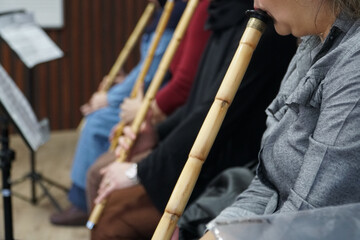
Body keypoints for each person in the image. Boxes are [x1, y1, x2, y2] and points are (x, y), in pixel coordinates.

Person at [87, 0, 298, 239]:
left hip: (224, 172)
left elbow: (216, 115)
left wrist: (139, 171)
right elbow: (199, 102)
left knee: (113, 221)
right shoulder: (221, 13)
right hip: (197, 157)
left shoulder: (266, 29)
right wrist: (156, 133)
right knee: (104, 184)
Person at [197, 0, 360, 239]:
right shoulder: (312, 42)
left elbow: (310, 217)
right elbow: (267, 184)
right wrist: (217, 234)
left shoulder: (354, 63)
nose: (256, 4)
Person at [49, 2, 187, 226]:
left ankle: (83, 202)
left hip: (156, 99)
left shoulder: (178, 10)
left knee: (96, 122)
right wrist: (120, 85)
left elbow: (152, 73)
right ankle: (82, 192)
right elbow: (145, 67)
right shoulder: (163, 10)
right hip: (145, 93)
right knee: (98, 118)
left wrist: (110, 98)